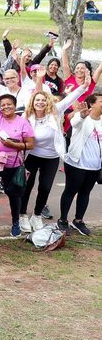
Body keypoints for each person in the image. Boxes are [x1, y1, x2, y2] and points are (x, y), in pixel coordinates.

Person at [19, 74, 88, 232]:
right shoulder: (26, 116)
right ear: (32, 102)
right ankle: (22, 215)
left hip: (51, 157)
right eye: (37, 100)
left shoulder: (55, 111)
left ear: (48, 102)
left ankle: (36, 215)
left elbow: (71, 97)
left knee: (45, 187)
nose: (40, 102)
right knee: (26, 186)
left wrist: (83, 86)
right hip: (31, 156)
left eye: (43, 100)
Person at [0, 70, 35, 237]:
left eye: (9, 104)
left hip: (13, 164)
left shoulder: (23, 122)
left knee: (14, 194)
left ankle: (15, 222)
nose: (6, 107)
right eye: (2, 105)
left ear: (14, 105)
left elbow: (31, 144)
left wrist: (13, 144)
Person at [57, 93, 102, 236]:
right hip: (76, 164)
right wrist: (81, 115)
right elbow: (74, 123)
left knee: (85, 193)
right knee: (70, 191)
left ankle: (78, 221)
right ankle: (63, 220)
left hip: (94, 166)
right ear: (92, 104)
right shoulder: (82, 117)